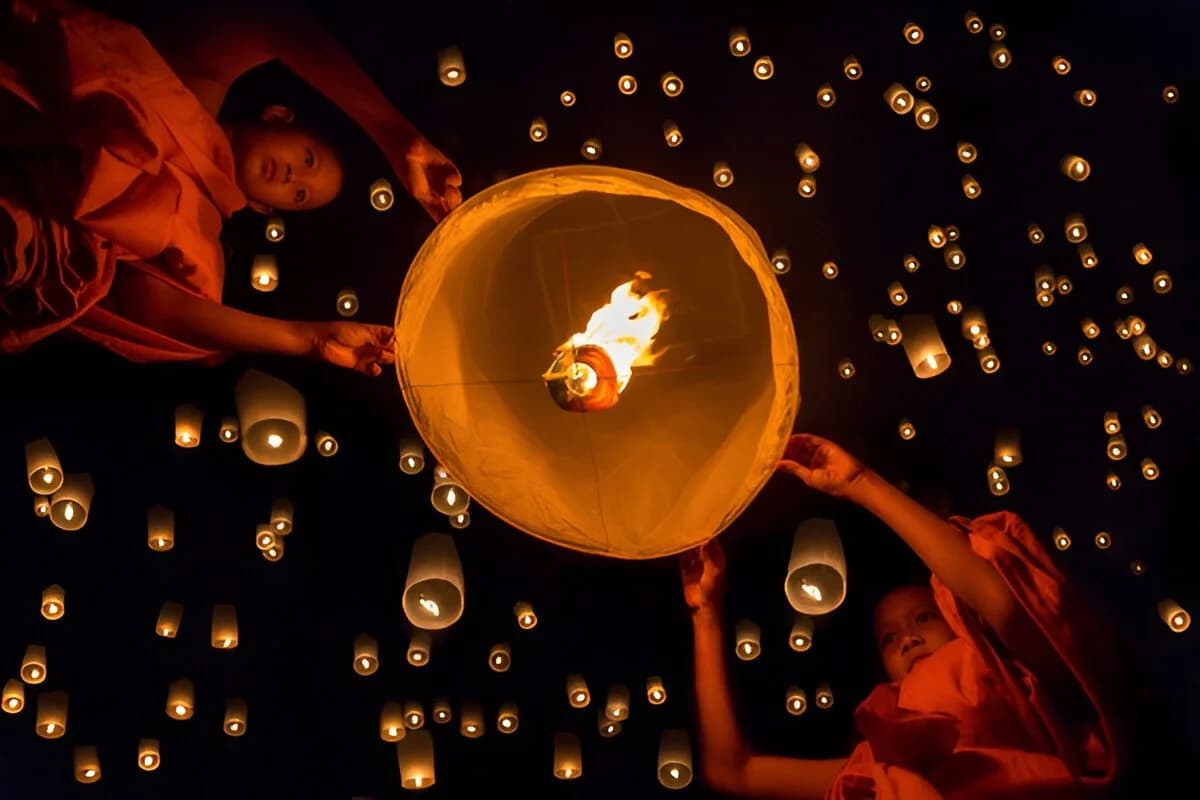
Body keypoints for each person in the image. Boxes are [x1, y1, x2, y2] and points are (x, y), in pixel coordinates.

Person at [1, 0, 462, 373]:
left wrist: (311, 339)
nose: (293, 176)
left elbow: (154, 307)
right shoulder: (194, 83)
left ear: (263, 208)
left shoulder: (199, 240)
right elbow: (271, 22)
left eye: (299, 195)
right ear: (278, 117)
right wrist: (395, 135)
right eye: (307, 158)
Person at [681, 433, 1123, 799]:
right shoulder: (882, 758)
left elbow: (1002, 604)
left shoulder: (1006, 670)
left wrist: (861, 483)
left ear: (959, 620)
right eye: (889, 638)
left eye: (924, 619)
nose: (907, 639)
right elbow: (732, 771)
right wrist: (707, 615)